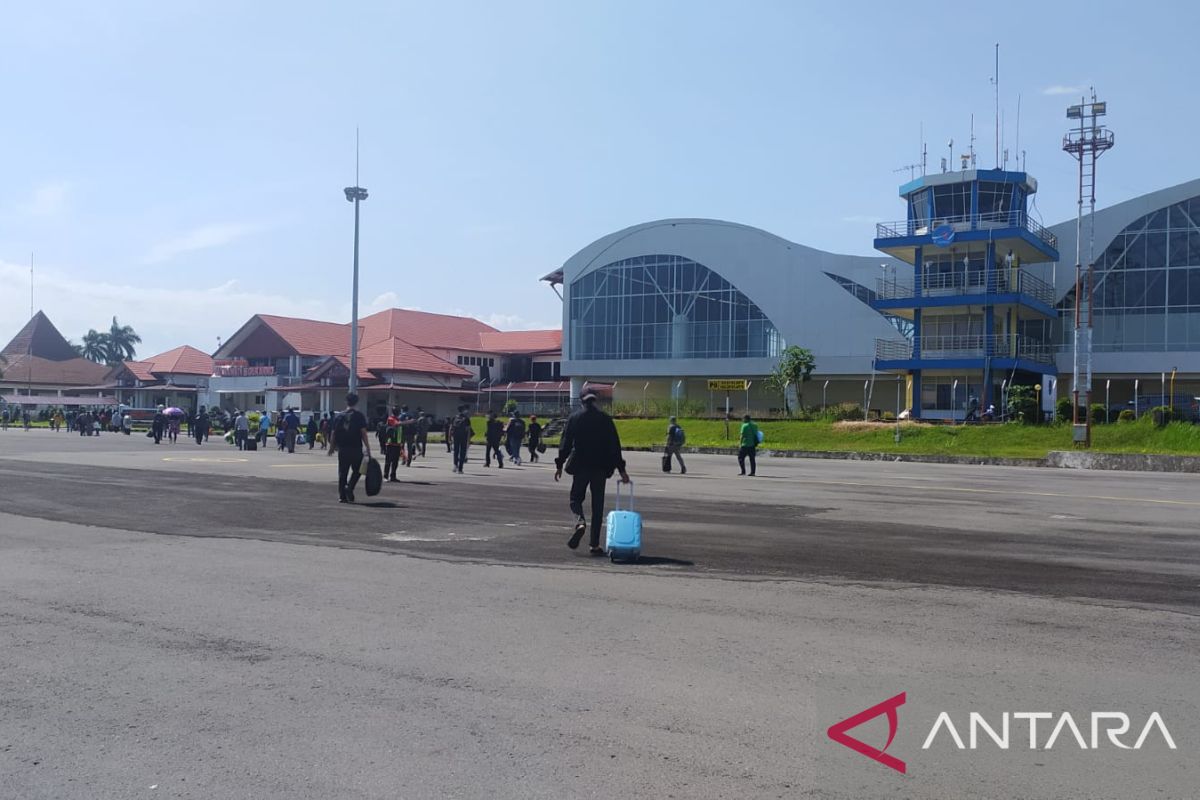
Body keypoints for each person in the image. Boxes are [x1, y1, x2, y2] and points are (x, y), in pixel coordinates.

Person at [554, 392, 630, 555]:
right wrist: (622, 470)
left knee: (575, 499)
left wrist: (560, 464)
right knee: (598, 506)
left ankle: (580, 522)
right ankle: (594, 544)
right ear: (595, 402)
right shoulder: (605, 419)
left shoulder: (575, 418)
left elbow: (565, 443)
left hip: (581, 466)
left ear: (582, 402)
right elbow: (614, 446)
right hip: (600, 468)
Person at [328, 392, 371, 503]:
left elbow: (333, 433)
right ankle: (350, 487)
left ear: (346, 402)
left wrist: (332, 447)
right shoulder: (359, 416)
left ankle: (342, 496)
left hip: (343, 448)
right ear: (356, 402)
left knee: (343, 472)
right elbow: (363, 433)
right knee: (358, 470)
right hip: (356, 447)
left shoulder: (339, 416)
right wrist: (367, 447)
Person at [450, 404, 473, 473]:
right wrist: (468, 439)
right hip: (464, 437)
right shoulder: (466, 419)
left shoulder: (454, 418)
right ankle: (460, 469)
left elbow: (451, 428)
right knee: (462, 452)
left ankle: (455, 466)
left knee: (456, 452)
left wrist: (450, 437)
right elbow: (468, 430)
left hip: (456, 437)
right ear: (463, 410)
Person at [383, 410, 403, 481]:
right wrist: (408, 421)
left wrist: (401, 443)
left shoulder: (398, 419)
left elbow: (400, 432)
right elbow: (396, 424)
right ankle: (385, 476)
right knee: (388, 461)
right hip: (390, 444)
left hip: (397, 444)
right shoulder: (390, 419)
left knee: (395, 462)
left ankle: (393, 476)